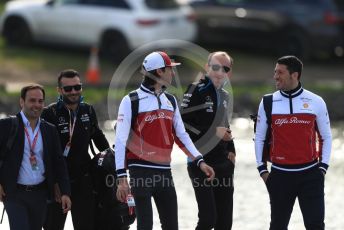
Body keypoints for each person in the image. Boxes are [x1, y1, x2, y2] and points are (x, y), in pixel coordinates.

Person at [115, 51, 215, 230]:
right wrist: (121, 178)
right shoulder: (131, 100)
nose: (173, 73)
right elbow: (121, 140)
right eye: (170, 69)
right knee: (145, 226)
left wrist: (200, 160)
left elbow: (181, 135)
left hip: (164, 173)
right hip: (140, 172)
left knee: (171, 227)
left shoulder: (171, 100)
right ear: (159, 72)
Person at [254, 55, 332, 230]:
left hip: (311, 175)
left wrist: (323, 167)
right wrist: (262, 170)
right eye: (275, 72)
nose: (275, 76)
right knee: (278, 226)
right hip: (280, 176)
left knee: (316, 226)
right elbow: (259, 137)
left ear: (294, 75)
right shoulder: (267, 102)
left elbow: (326, 137)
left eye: (280, 72)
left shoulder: (316, 101)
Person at [41, 69, 110, 230]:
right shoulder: (49, 114)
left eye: (77, 87)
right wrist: (54, 182)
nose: (73, 92)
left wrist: (114, 160)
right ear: (59, 90)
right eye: (68, 88)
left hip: (83, 180)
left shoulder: (88, 110)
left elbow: (98, 138)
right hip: (58, 183)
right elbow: (43, 152)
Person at [0, 84, 71, 230]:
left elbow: (59, 163)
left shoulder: (49, 130)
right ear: (22, 102)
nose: (37, 105)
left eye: (40, 101)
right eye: (32, 100)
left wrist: (65, 192)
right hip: (14, 193)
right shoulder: (6, 125)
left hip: (40, 194)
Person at [180, 51, 236, 230]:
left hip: (223, 163)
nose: (220, 72)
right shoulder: (195, 89)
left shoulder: (225, 95)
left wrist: (232, 149)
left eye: (225, 69)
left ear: (229, 72)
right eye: (215, 67)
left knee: (224, 224)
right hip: (200, 162)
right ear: (207, 67)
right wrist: (214, 133)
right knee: (207, 220)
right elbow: (183, 126)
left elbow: (225, 127)